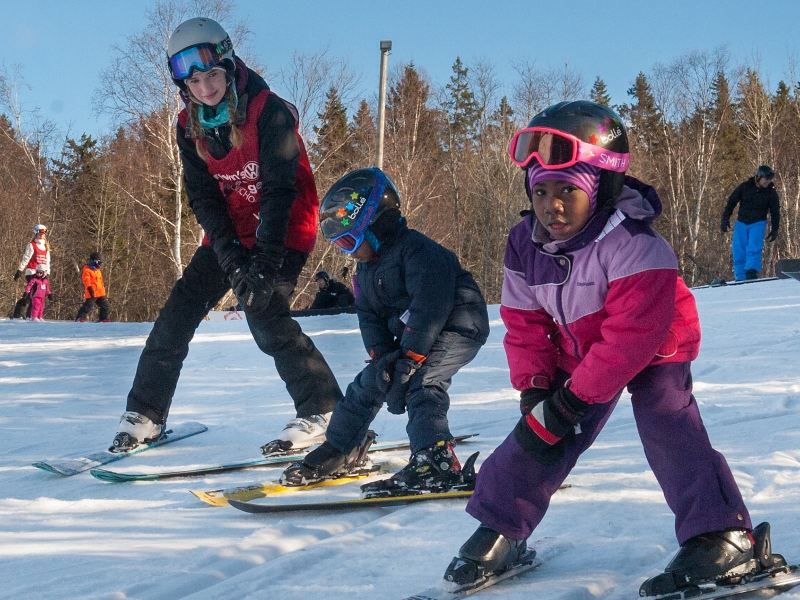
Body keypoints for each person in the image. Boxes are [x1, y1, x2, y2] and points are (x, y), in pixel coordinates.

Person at [441, 101, 784, 595]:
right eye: (540, 190)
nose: (551, 205)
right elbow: (525, 322)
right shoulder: (524, 244)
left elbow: (630, 340)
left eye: (567, 191)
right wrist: (536, 390)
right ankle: (501, 525)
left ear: (599, 188)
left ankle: (722, 534)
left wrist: (572, 402)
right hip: (579, 345)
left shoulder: (636, 245)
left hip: (654, 342)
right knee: (540, 430)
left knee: (666, 417)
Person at [112, 17, 343, 453]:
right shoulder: (187, 126)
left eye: (212, 75)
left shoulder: (267, 110)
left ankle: (325, 408)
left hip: (285, 223)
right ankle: (146, 412)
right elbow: (204, 199)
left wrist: (263, 265)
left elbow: (279, 190)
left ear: (229, 64)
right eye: (194, 81)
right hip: (232, 231)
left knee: (264, 310)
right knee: (178, 312)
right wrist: (232, 257)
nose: (205, 88)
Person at [280, 167, 490, 496]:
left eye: (349, 240)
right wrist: (382, 358)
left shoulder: (420, 252)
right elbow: (369, 316)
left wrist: (410, 359)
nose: (347, 252)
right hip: (412, 335)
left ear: (377, 224)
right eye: (338, 245)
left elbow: (430, 307)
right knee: (367, 384)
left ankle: (436, 462)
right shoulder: (365, 271)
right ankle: (339, 449)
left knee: (424, 383)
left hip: (458, 325)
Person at [721, 165, 780, 281]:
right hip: (741, 223)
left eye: (769, 179)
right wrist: (725, 218)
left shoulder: (771, 193)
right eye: (765, 179)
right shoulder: (745, 187)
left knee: (754, 247)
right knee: (738, 250)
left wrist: (775, 229)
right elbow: (732, 201)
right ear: (758, 176)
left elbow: (775, 212)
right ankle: (740, 276)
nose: (767, 182)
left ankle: (751, 271)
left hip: (758, 223)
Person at [12, 224, 50, 319]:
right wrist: (19, 270)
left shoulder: (46, 247)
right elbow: (26, 258)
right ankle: (20, 312)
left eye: (43, 234)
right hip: (32, 272)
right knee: (31, 294)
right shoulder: (32, 245)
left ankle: (31, 315)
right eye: (39, 234)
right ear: (36, 234)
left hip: (42, 274)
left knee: (36, 295)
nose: (41, 236)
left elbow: (47, 261)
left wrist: (47, 273)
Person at [76, 252, 110, 322]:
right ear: (94, 261)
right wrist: (90, 288)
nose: (100, 265)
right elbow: (86, 280)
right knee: (88, 306)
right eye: (99, 263)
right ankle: (79, 318)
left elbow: (101, 281)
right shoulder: (87, 270)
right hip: (92, 292)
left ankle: (103, 318)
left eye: (101, 263)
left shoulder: (98, 271)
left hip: (100, 292)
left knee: (105, 305)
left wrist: (103, 289)